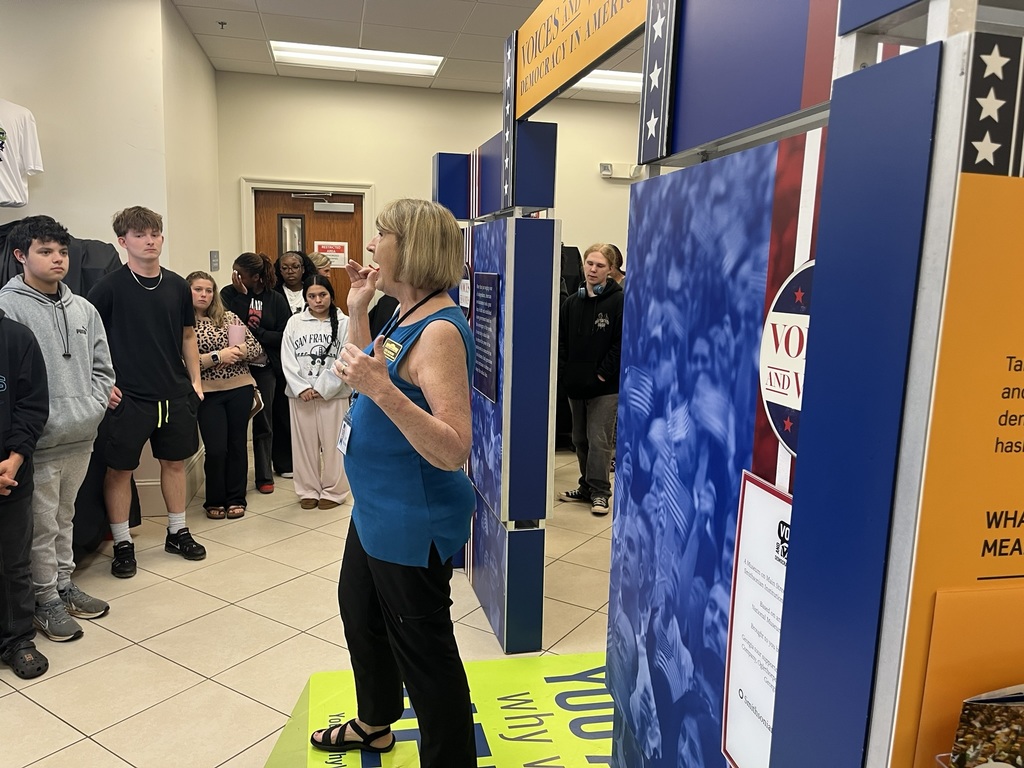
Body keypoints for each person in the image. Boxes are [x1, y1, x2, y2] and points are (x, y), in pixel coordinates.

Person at [310, 199, 476, 766]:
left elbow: (454, 449)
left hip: (411, 518)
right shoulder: (401, 310)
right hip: (375, 508)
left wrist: (385, 391)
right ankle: (375, 722)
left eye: (381, 232)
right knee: (359, 612)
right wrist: (358, 308)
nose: (372, 241)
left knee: (425, 655)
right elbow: (359, 374)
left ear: (412, 248)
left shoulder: (439, 331)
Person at [0, 216, 115, 643]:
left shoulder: (83, 308)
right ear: (20, 256)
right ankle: (43, 599)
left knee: (65, 516)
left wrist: (94, 407)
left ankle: (63, 585)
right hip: (37, 441)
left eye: (61, 252)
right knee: (40, 525)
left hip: (81, 434)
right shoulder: (7, 307)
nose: (57, 260)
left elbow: (103, 367)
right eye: (45, 251)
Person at [88, 207, 206, 579]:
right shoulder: (107, 288)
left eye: (155, 233)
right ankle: (123, 542)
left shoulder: (175, 286)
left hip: (173, 392)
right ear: (123, 242)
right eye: (140, 235)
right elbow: (90, 340)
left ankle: (177, 531)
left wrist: (195, 382)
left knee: (174, 463)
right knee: (120, 470)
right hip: (128, 397)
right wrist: (103, 384)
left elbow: (188, 335)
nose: (150, 240)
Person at [188, 271, 263, 520]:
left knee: (237, 445)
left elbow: (253, 349)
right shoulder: (183, 324)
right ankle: (215, 499)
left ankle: (235, 498)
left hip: (239, 389)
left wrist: (236, 352)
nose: (204, 295)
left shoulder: (228, 317)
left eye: (209, 290)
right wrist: (217, 357)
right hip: (207, 394)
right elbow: (182, 363)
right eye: (198, 289)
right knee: (216, 448)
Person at [0, 307, 49, 677]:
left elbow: (31, 406)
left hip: (10, 471)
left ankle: (17, 638)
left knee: (13, 562)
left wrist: (15, 458)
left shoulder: (17, 338)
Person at [558, 243, 623, 515]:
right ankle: (586, 486)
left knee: (599, 440)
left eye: (600, 265)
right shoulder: (572, 302)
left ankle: (600, 491)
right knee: (580, 439)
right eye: (589, 263)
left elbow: (619, 344)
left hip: (604, 387)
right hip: (576, 384)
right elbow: (561, 342)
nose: (593, 269)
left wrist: (601, 373)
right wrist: (566, 372)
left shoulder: (619, 301)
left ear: (611, 270)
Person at [220, 252, 291, 493]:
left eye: (241, 274)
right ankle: (235, 479)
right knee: (236, 425)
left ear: (257, 277)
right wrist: (242, 297)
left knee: (264, 422)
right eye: (234, 271)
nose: (235, 277)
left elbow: (285, 334)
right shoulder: (228, 295)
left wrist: (259, 333)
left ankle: (264, 476)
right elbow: (228, 326)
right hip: (234, 370)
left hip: (265, 368)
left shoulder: (276, 299)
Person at [281, 276, 350, 510]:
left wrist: (324, 388)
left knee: (334, 445)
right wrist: (301, 388)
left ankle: (335, 490)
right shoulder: (294, 322)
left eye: (323, 295)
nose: (318, 300)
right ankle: (307, 489)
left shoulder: (345, 323)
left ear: (331, 295)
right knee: (304, 445)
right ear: (305, 297)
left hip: (334, 394)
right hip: (301, 395)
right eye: (312, 296)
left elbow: (346, 358)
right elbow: (287, 358)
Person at [275, 250, 317, 315]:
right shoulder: (274, 293)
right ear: (280, 271)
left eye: (295, 267)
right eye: (285, 268)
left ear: (303, 269)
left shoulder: (313, 290)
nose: (290, 271)